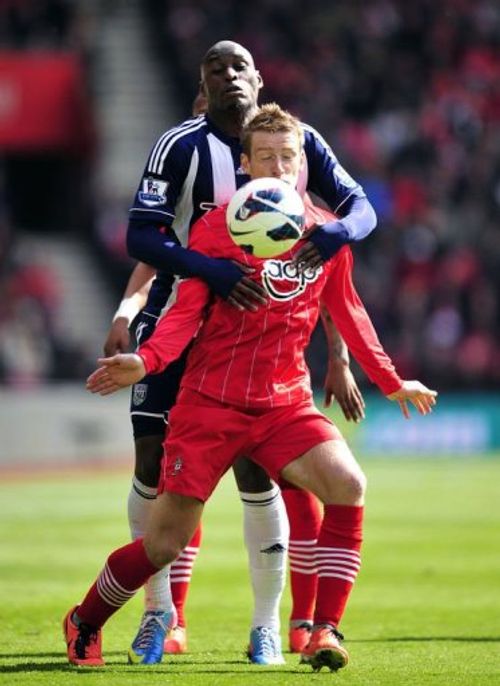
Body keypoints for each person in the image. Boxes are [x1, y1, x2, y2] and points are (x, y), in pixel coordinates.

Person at [64, 103, 437, 672]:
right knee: (164, 545)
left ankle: (325, 631)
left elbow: (350, 312)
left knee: (348, 484)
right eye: (265, 157)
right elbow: (184, 315)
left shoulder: (323, 235)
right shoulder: (215, 230)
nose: (279, 166)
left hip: (285, 401)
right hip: (209, 404)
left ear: (302, 163)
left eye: (288, 156)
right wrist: (147, 359)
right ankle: (86, 618)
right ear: (245, 165)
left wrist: (390, 380)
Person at [104, 39, 374, 664]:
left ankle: (270, 626)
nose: (227, 76)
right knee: (156, 465)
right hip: (183, 318)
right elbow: (143, 237)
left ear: (258, 77)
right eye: (214, 69)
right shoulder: (181, 146)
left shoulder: (297, 146)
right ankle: (161, 614)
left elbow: (350, 226)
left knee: (260, 473)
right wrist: (135, 308)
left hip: (259, 338)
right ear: (202, 84)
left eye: (238, 66)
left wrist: (339, 346)